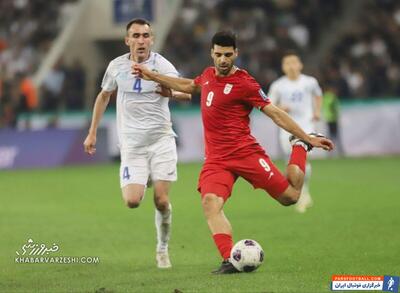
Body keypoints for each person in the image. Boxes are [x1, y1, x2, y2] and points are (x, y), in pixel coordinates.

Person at [133, 31, 334, 274]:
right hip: (217, 160)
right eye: (218, 54)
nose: (223, 60)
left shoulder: (246, 83)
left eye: (228, 55)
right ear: (212, 53)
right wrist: (150, 74)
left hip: (245, 153)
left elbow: (275, 113)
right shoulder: (207, 75)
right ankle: (231, 259)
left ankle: (299, 148)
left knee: (290, 196)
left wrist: (305, 136)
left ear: (236, 53)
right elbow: (189, 85)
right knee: (210, 203)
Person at [83, 18, 190, 269]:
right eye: (136, 36)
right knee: (132, 201)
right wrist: (92, 132)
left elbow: (186, 93)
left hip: (161, 141)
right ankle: (147, 177)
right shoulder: (116, 66)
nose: (141, 40)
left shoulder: (162, 65)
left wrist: (170, 93)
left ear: (151, 39)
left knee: (161, 201)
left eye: (145, 35)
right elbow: (104, 96)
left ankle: (162, 249)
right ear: (127, 40)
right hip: (132, 147)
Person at [268, 52, 323, 213]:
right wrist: (279, 107)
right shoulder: (278, 85)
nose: (291, 66)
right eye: (287, 63)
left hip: (306, 125)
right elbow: (269, 103)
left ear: (300, 65)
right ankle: (299, 192)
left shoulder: (310, 82)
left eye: (294, 62)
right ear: (283, 67)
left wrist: (317, 111)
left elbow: (318, 96)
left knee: (303, 159)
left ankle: (304, 192)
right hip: (286, 127)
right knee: (291, 162)